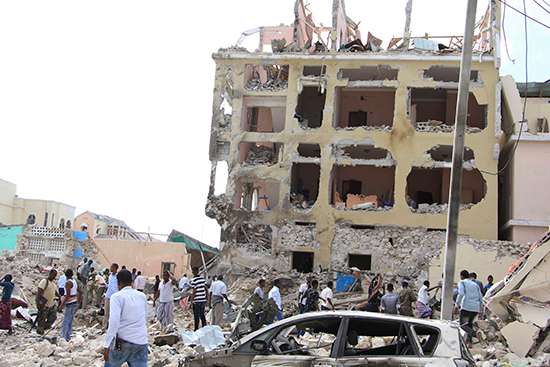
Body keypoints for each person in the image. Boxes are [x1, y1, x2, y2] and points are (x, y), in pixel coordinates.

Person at [103, 269, 148, 367]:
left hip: (122, 343)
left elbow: (114, 322)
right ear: (132, 281)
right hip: (140, 342)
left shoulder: (117, 297)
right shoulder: (142, 296)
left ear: (118, 282)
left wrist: (107, 344)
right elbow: (144, 318)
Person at [455, 269, 483, 347]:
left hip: (466, 306)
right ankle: (469, 342)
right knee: (469, 324)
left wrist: (457, 306)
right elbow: (481, 297)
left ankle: (475, 334)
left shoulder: (462, 282)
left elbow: (461, 293)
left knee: (463, 324)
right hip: (475, 308)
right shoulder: (475, 285)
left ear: (462, 276)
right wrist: (480, 310)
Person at [58, 268, 82, 341]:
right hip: (74, 303)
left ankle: (63, 338)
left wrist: (62, 305)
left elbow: (68, 295)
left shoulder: (68, 283)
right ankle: (67, 337)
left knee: (65, 322)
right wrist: (78, 302)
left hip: (70, 304)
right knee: (70, 321)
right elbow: (80, 292)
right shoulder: (74, 281)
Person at [36, 269, 60, 334]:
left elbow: (55, 292)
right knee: (41, 320)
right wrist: (38, 303)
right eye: (53, 275)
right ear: (50, 274)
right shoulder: (44, 281)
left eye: (55, 275)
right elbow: (39, 293)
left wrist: (61, 297)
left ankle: (44, 328)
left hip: (51, 305)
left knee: (53, 317)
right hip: (44, 304)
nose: (54, 277)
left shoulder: (53, 284)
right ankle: (40, 332)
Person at [190, 266, 208, 331]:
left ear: (193, 272)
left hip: (197, 301)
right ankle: (204, 328)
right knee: (202, 315)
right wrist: (207, 299)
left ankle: (196, 329)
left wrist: (191, 302)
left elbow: (194, 291)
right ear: (198, 272)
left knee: (196, 316)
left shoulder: (193, 280)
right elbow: (206, 289)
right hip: (202, 300)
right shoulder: (202, 279)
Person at [103, 263, 119, 331]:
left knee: (113, 313)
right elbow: (110, 285)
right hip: (108, 295)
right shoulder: (110, 276)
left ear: (115, 268)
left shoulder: (117, 276)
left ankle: (111, 328)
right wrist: (105, 285)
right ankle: (103, 328)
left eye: (112, 267)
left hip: (114, 296)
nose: (110, 268)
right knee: (106, 313)